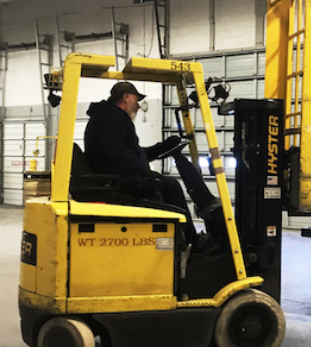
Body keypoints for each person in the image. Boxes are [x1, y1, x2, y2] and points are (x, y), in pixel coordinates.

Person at [84, 81, 221, 248]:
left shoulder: (108, 116)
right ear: (126, 98)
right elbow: (118, 154)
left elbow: (132, 154)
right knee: (170, 186)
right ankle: (190, 241)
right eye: (136, 100)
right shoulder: (111, 117)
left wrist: (162, 147)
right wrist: (144, 173)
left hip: (115, 176)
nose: (138, 105)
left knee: (167, 184)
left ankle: (183, 241)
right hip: (116, 180)